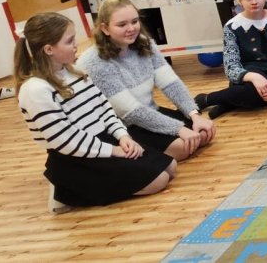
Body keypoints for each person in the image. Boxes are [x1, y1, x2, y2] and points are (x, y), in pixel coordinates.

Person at [16, 12, 175, 212]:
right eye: (70, 41)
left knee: (170, 167)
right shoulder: (35, 89)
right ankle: (68, 192)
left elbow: (105, 109)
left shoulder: (75, 73)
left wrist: (122, 136)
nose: (76, 44)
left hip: (102, 142)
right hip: (74, 158)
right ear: (49, 49)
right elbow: (65, 139)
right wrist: (113, 151)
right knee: (159, 180)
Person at [79, 0, 216, 162]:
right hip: (122, 125)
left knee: (203, 133)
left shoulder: (145, 43)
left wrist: (194, 114)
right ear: (105, 28)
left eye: (134, 21)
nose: (131, 28)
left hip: (150, 111)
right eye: (122, 25)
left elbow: (171, 83)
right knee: (183, 147)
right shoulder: (95, 62)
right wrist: (179, 129)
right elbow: (131, 112)